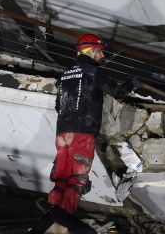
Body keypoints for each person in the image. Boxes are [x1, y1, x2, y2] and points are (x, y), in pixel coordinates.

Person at [46, 33, 133, 214]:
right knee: (77, 179)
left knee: (61, 178)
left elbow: (58, 106)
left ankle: (52, 211)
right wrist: (131, 83)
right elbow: (117, 92)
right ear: (92, 51)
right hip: (83, 132)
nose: (103, 56)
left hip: (62, 132)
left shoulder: (65, 74)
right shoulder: (94, 72)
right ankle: (65, 218)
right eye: (100, 52)